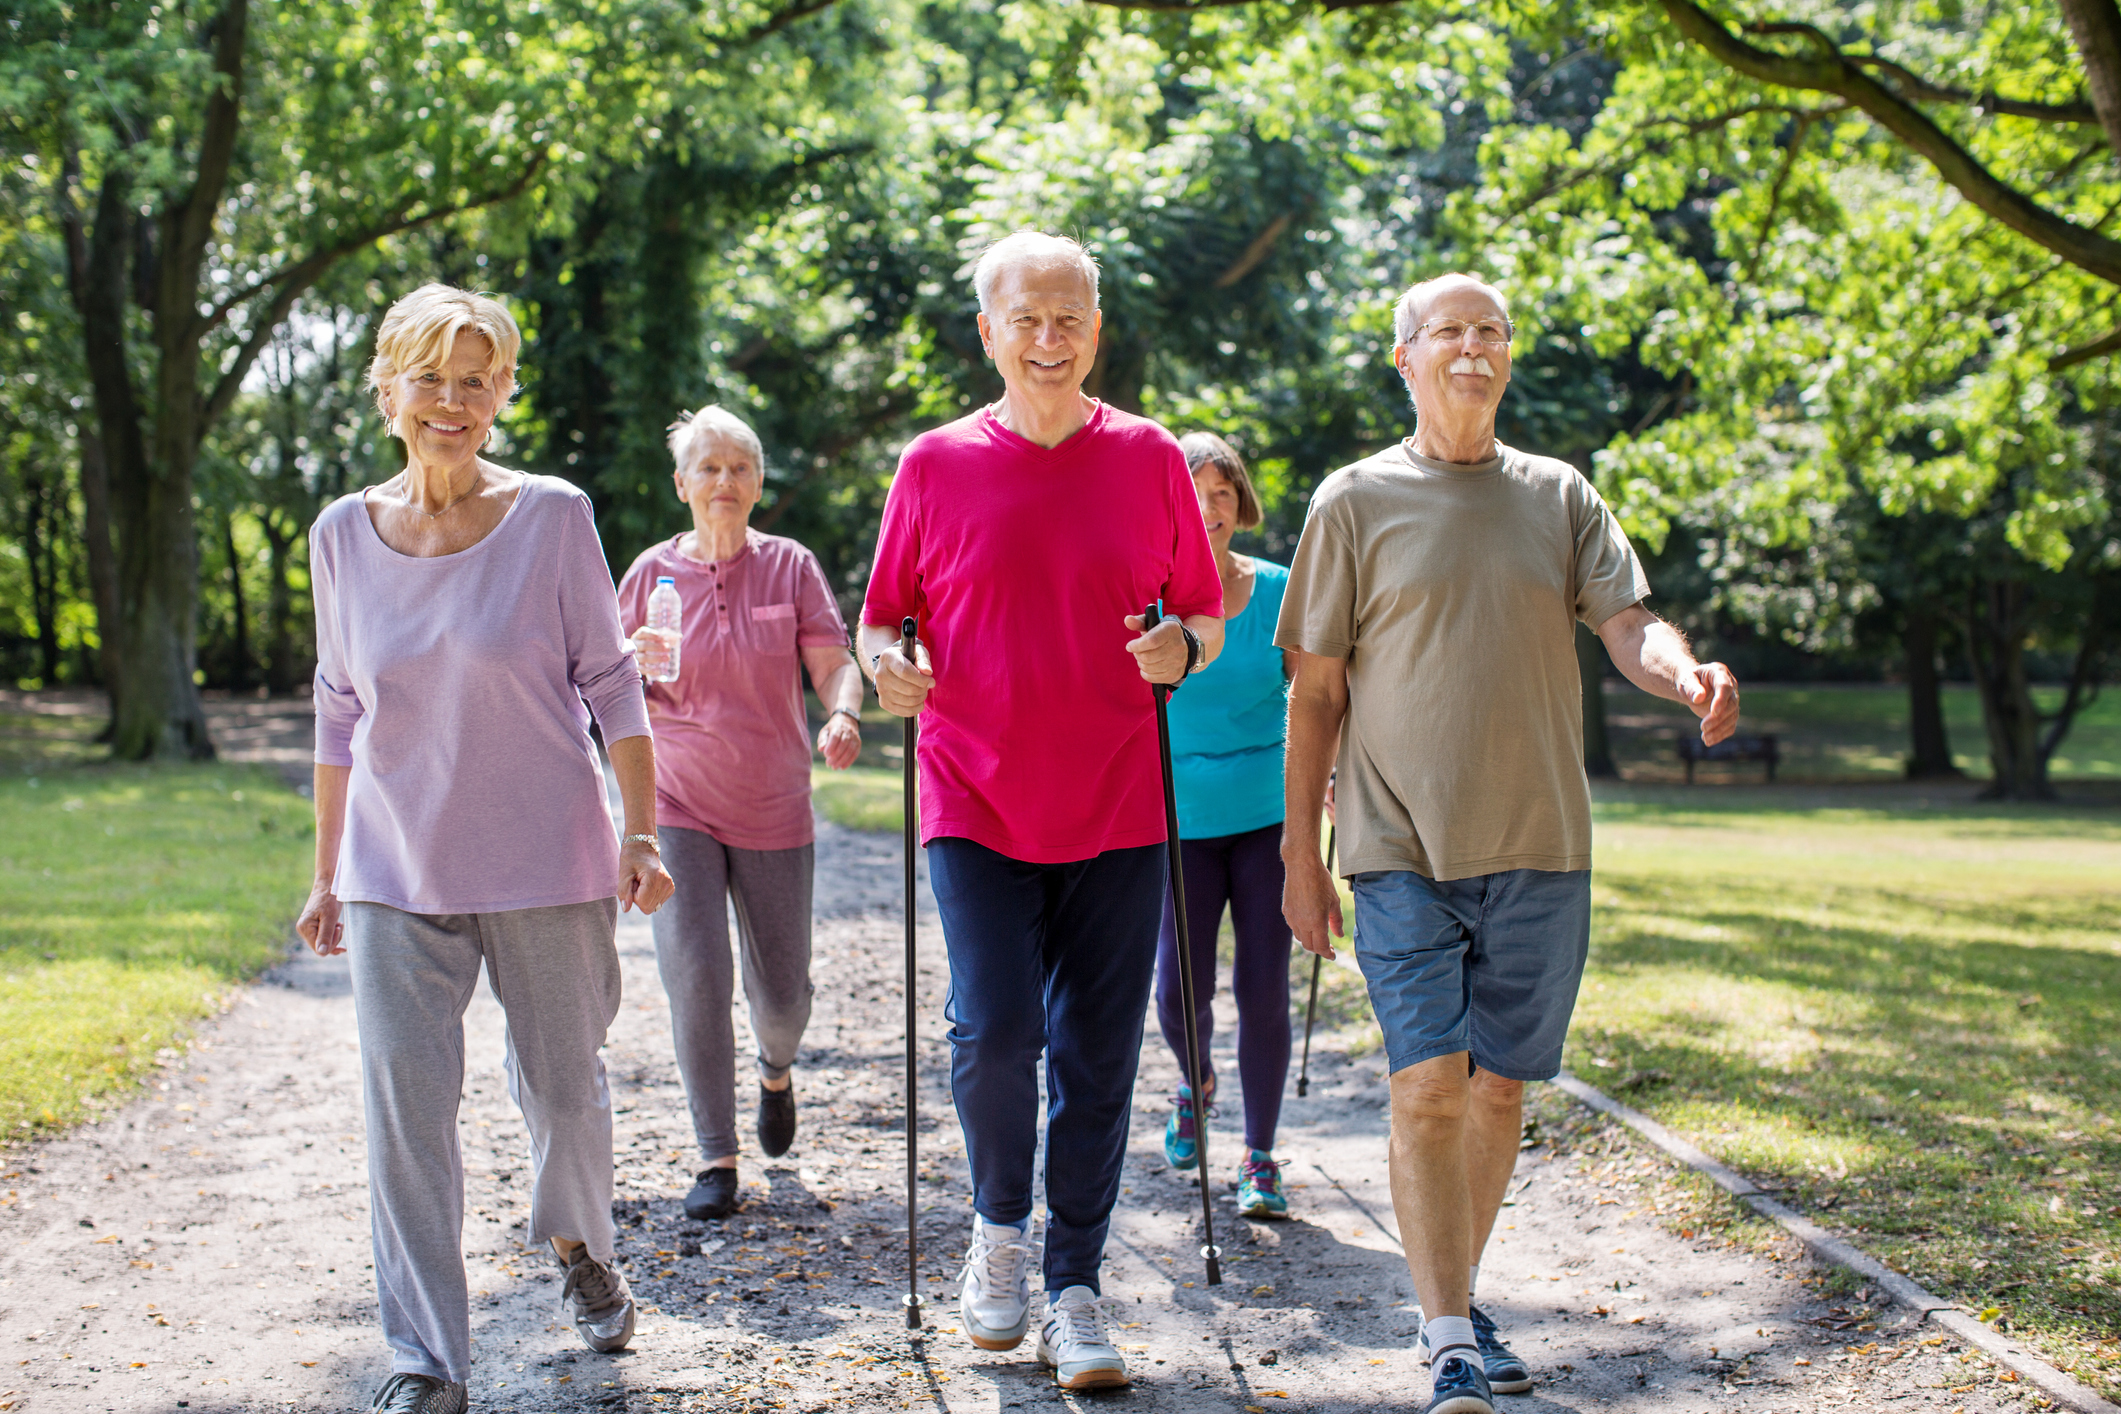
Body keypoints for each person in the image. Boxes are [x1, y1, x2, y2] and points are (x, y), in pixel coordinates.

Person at [1276, 273, 1740, 1414]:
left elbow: (1627, 623)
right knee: (1430, 1082)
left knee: (1498, 1091)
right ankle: (1445, 1339)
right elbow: (1317, 690)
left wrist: (1685, 674)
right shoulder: (1353, 499)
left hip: (1541, 840)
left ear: (1508, 355)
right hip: (1397, 843)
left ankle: (1461, 1298)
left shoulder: (1560, 495)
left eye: (1491, 332)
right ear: (1408, 358)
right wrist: (1297, 852)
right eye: (1451, 332)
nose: (1473, 349)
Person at [297, 284, 675, 1414]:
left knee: (565, 1094)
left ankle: (580, 1244)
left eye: (477, 379)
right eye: (430, 378)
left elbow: (612, 681)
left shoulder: (554, 516)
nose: (451, 402)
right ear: (388, 389)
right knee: (406, 1120)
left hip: (547, 862)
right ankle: (428, 1358)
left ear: (505, 391)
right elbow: (335, 710)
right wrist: (324, 873)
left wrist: (643, 829)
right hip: (393, 873)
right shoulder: (338, 535)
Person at [860, 231, 1224, 1392]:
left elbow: (1202, 616)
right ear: (989, 330)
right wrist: (887, 670)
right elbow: (882, 621)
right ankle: (999, 1233)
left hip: (1121, 793)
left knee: (1099, 1048)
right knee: (998, 1028)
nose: (1050, 339)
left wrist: (1182, 648)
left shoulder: (1153, 456)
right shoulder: (932, 464)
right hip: (972, 788)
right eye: (1028, 317)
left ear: (1096, 329)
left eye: (1070, 317)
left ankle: (1074, 1283)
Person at [615, 405, 864, 1222]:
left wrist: (843, 713)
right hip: (676, 798)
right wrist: (629, 667)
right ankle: (715, 1156)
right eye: (708, 468)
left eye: (740, 468)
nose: (724, 481)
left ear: (758, 483)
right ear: (682, 483)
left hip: (773, 802)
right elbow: (604, 688)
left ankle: (775, 1067)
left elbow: (833, 664)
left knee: (783, 994)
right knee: (695, 973)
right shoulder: (649, 576)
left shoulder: (789, 567)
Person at [1154, 431, 1297, 1219]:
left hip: (1267, 814)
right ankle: (1194, 1079)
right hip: (1175, 817)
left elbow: (1312, 698)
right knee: (1178, 989)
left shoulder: (1279, 591)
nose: (1207, 508)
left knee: (1261, 986)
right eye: (1192, 492)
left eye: (1220, 493)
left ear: (1239, 503)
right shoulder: (1150, 591)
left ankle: (1259, 1155)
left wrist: (1331, 778)